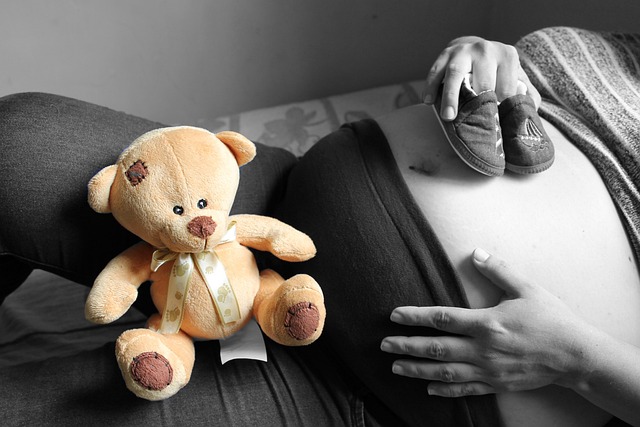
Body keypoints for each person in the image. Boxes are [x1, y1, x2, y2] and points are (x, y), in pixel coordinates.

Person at [0, 28, 638, 427]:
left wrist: (580, 361)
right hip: (276, 200)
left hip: (387, 389)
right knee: (14, 142)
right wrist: (484, 59)